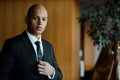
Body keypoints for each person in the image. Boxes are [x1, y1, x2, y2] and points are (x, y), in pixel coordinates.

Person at [0, 4, 63, 80]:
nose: (40, 23)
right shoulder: (12, 45)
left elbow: (59, 76)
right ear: (26, 19)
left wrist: (52, 72)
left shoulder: (49, 46)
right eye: (35, 18)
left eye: (43, 19)